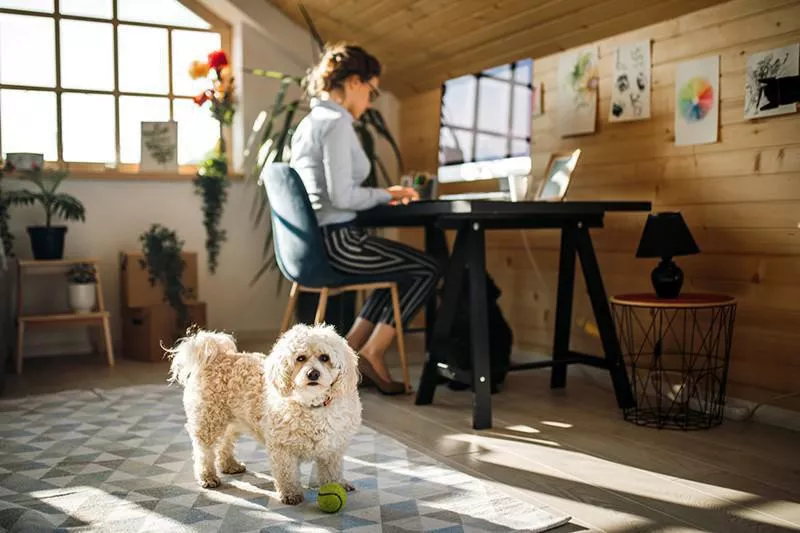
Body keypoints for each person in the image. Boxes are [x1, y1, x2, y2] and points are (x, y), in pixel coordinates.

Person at [290, 42, 440, 395]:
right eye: (372, 91)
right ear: (355, 82)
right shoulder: (336, 123)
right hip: (339, 241)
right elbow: (342, 197)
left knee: (398, 270)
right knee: (426, 269)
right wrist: (390, 193)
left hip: (317, 242)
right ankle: (372, 351)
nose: (371, 102)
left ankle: (350, 352)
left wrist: (382, 195)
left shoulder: (309, 123)